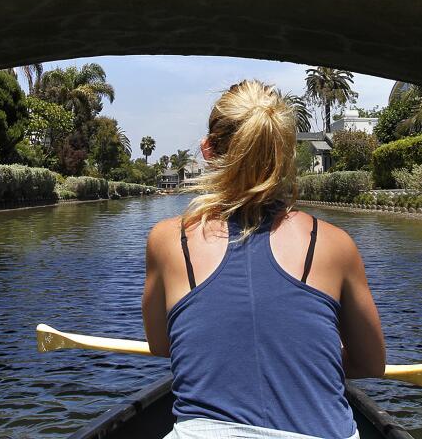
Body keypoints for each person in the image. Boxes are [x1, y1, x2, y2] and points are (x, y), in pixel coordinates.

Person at [143, 80, 385, 439]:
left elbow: (163, 345)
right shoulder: (335, 244)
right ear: (286, 154)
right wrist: (314, 361)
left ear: (207, 150)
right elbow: (370, 363)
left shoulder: (168, 240)